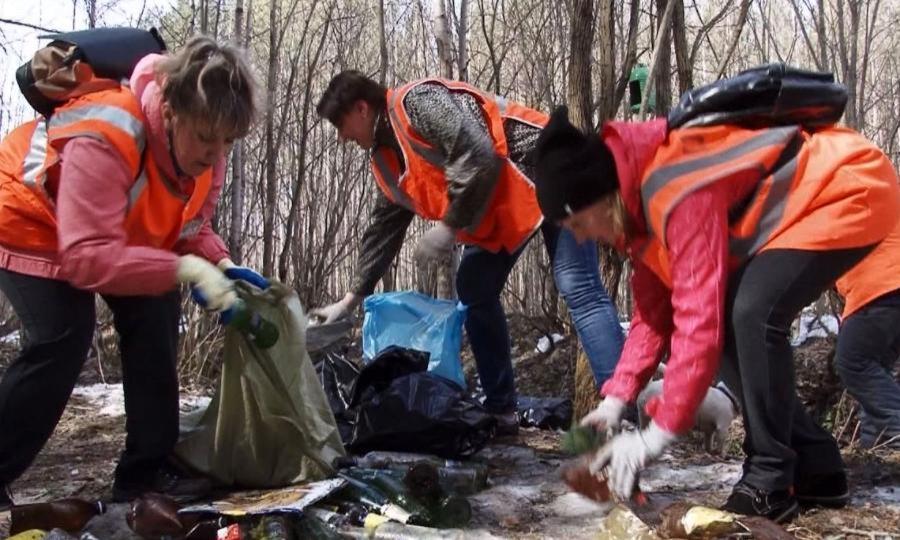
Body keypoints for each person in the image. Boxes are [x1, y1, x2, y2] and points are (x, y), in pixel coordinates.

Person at [532, 105, 900, 522]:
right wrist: (616, 399)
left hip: (847, 186)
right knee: (736, 313)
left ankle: (771, 478)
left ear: (601, 196)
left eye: (578, 223)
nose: (582, 237)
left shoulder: (676, 186)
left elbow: (697, 323)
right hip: (814, 203)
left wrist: (655, 437)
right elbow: (655, 313)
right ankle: (816, 465)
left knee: (751, 311)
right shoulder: (640, 212)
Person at [0, 34, 265, 508]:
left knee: (156, 308)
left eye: (227, 141)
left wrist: (220, 264)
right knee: (63, 333)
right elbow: (85, 257)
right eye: (206, 137)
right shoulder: (112, 123)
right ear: (171, 111)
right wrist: (184, 268)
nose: (215, 152)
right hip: (28, 215)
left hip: (110, 232)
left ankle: (144, 474)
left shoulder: (209, 156)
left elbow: (188, 225)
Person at [312, 71, 624, 434]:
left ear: (361, 109)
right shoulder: (385, 160)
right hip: (507, 205)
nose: (341, 136)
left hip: (550, 168)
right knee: (474, 286)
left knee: (578, 286)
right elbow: (382, 229)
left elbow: (478, 154)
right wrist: (350, 301)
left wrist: (448, 226)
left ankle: (621, 412)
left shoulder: (418, 102)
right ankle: (501, 410)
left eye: (340, 123)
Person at [834, 219, 900, 450]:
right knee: (873, 370)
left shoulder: (843, 195)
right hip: (888, 286)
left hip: (881, 288)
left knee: (853, 361)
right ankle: (876, 448)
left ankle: (895, 435)